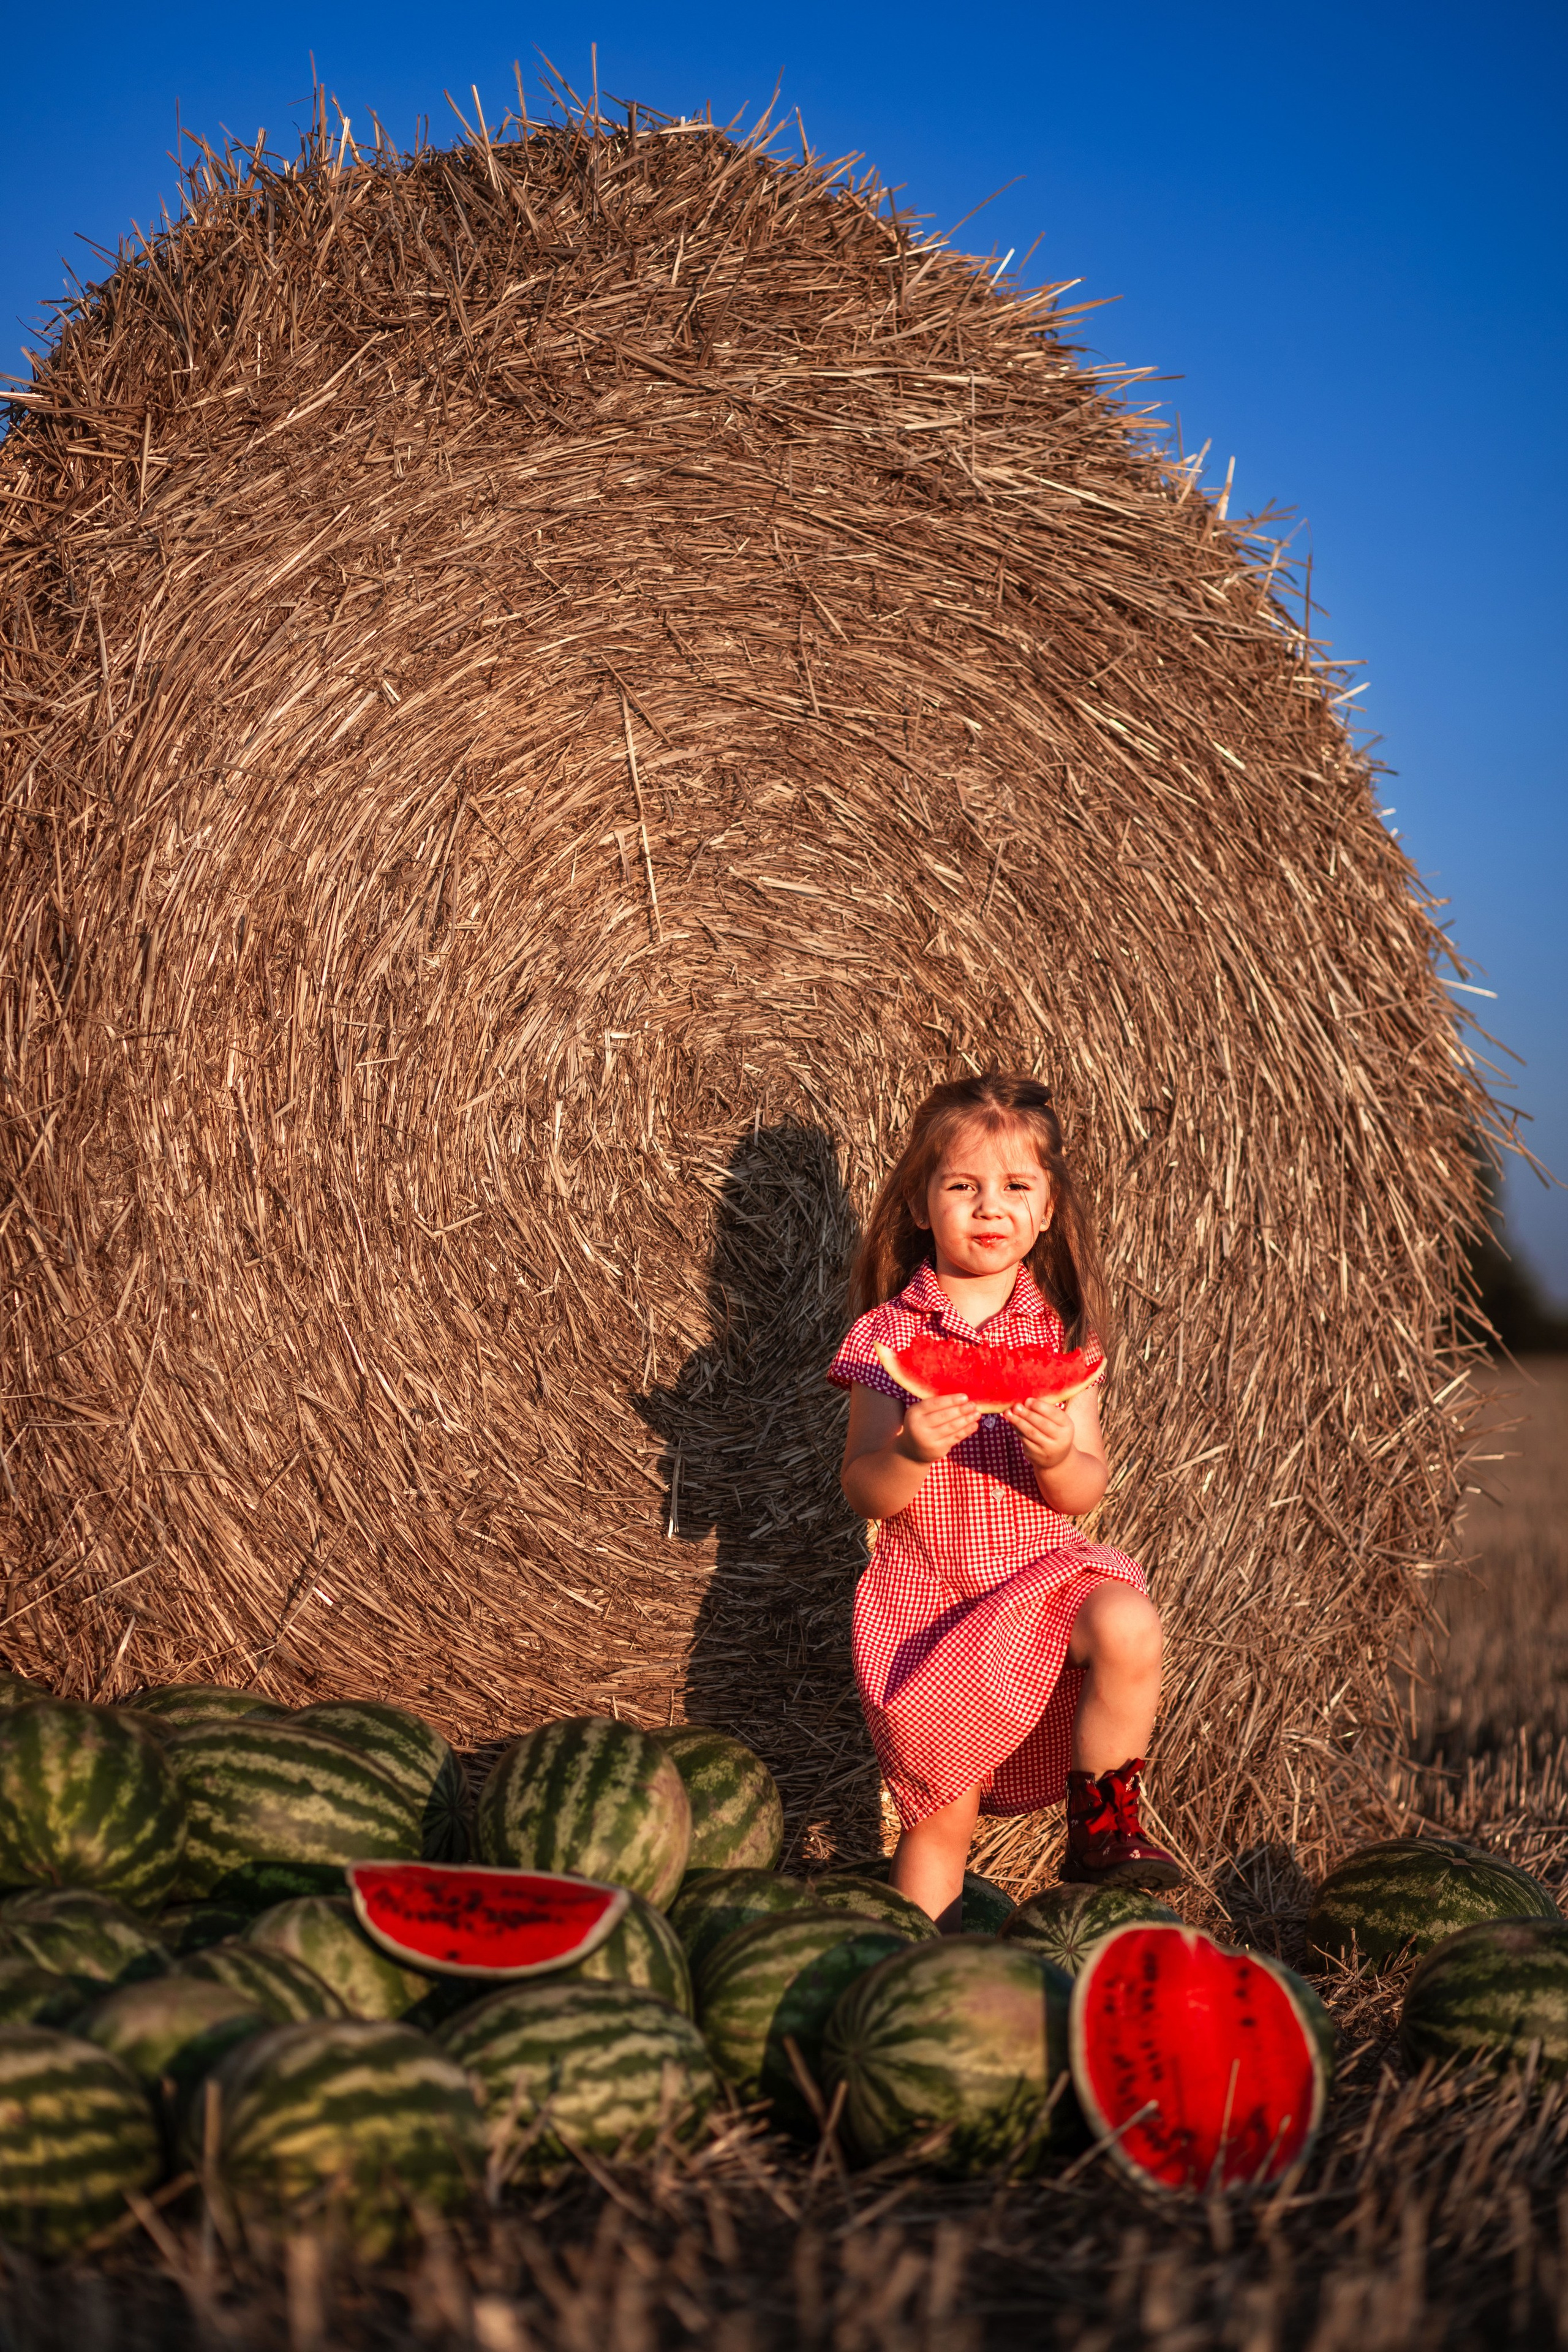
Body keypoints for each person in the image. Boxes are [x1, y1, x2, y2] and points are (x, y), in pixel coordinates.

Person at [828, 1071, 1177, 1932]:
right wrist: (911, 1449)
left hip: (1041, 1585)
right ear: (921, 1204)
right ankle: (916, 1974)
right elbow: (863, 1487)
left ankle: (1103, 1823)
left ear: (1049, 1208)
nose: (991, 1207)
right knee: (940, 1823)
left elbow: (1085, 1490)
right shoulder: (887, 1335)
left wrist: (1058, 1455)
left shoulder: (1061, 1337)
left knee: (1129, 1621)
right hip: (931, 1608)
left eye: (1017, 1187)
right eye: (963, 1187)